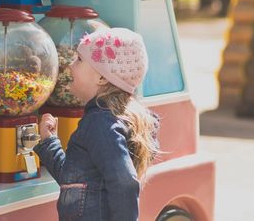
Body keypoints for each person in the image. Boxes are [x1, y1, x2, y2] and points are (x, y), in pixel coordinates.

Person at [33, 27, 160, 221]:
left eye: (79, 60)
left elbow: (124, 182)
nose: (69, 66)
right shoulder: (101, 120)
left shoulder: (100, 123)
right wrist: (50, 143)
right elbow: (74, 182)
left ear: (102, 77)